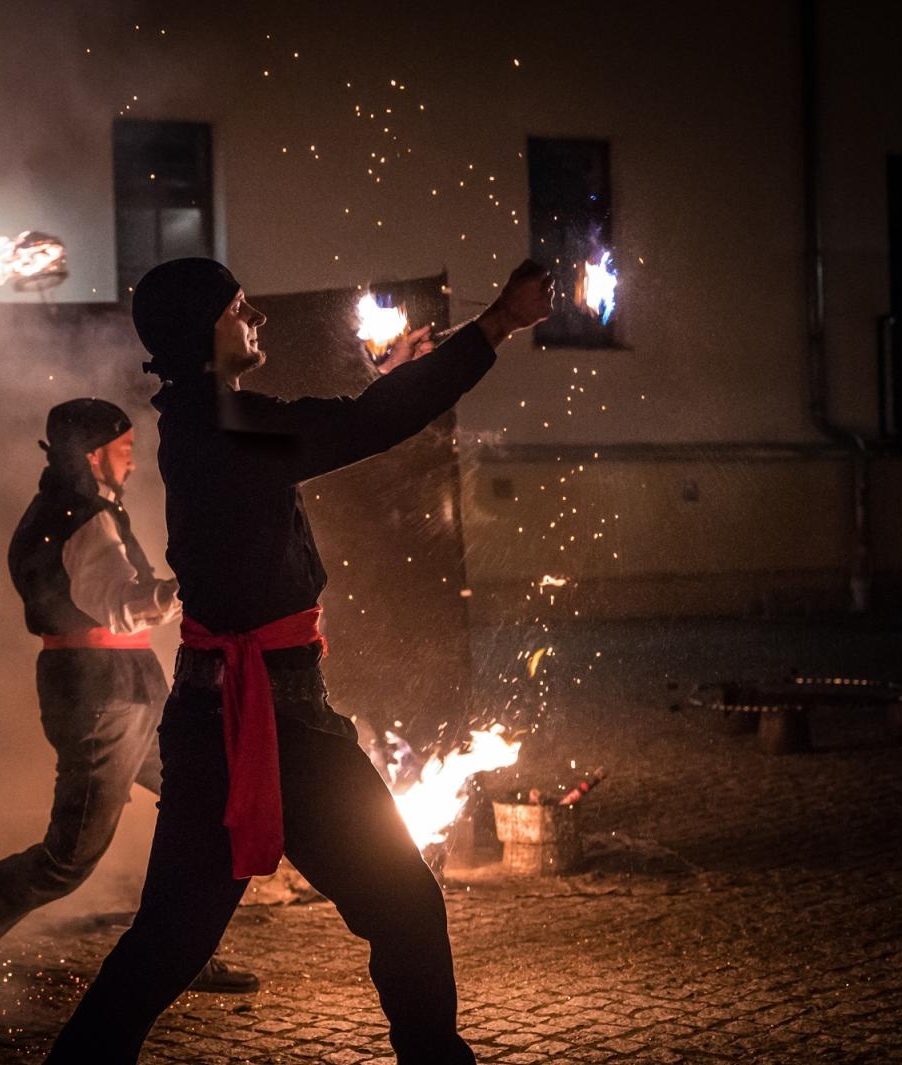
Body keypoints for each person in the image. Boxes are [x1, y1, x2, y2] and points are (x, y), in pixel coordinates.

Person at [43, 257, 554, 1064]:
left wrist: (398, 377)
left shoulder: (207, 420)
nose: (260, 319)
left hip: (251, 711)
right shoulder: (224, 427)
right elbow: (365, 424)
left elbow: (352, 417)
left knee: (187, 938)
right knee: (386, 907)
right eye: (242, 308)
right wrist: (495, 324)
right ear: (204, 332)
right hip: (257, 718)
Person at [0, 398, 257, 1013]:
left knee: (206, 806)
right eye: (124, 448)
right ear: (94, 454)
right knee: (65, 860)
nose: (133, 460)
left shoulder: (69, 508)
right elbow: (120, 604)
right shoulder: (81, 518)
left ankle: (179, 952)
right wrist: (192, 588)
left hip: (120, 688)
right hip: (105, 695)